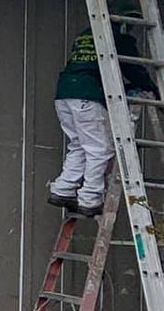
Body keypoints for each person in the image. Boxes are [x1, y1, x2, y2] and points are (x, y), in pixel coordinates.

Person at [50, 18, 158, 217]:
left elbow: (91, 69)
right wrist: (152, 89)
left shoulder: (86, 35)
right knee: (99, 149)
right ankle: (90, 200)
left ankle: (62, 189)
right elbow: (133, 69)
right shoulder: (116, 37)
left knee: (79, 145)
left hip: (65, 93)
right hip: (86, 95)